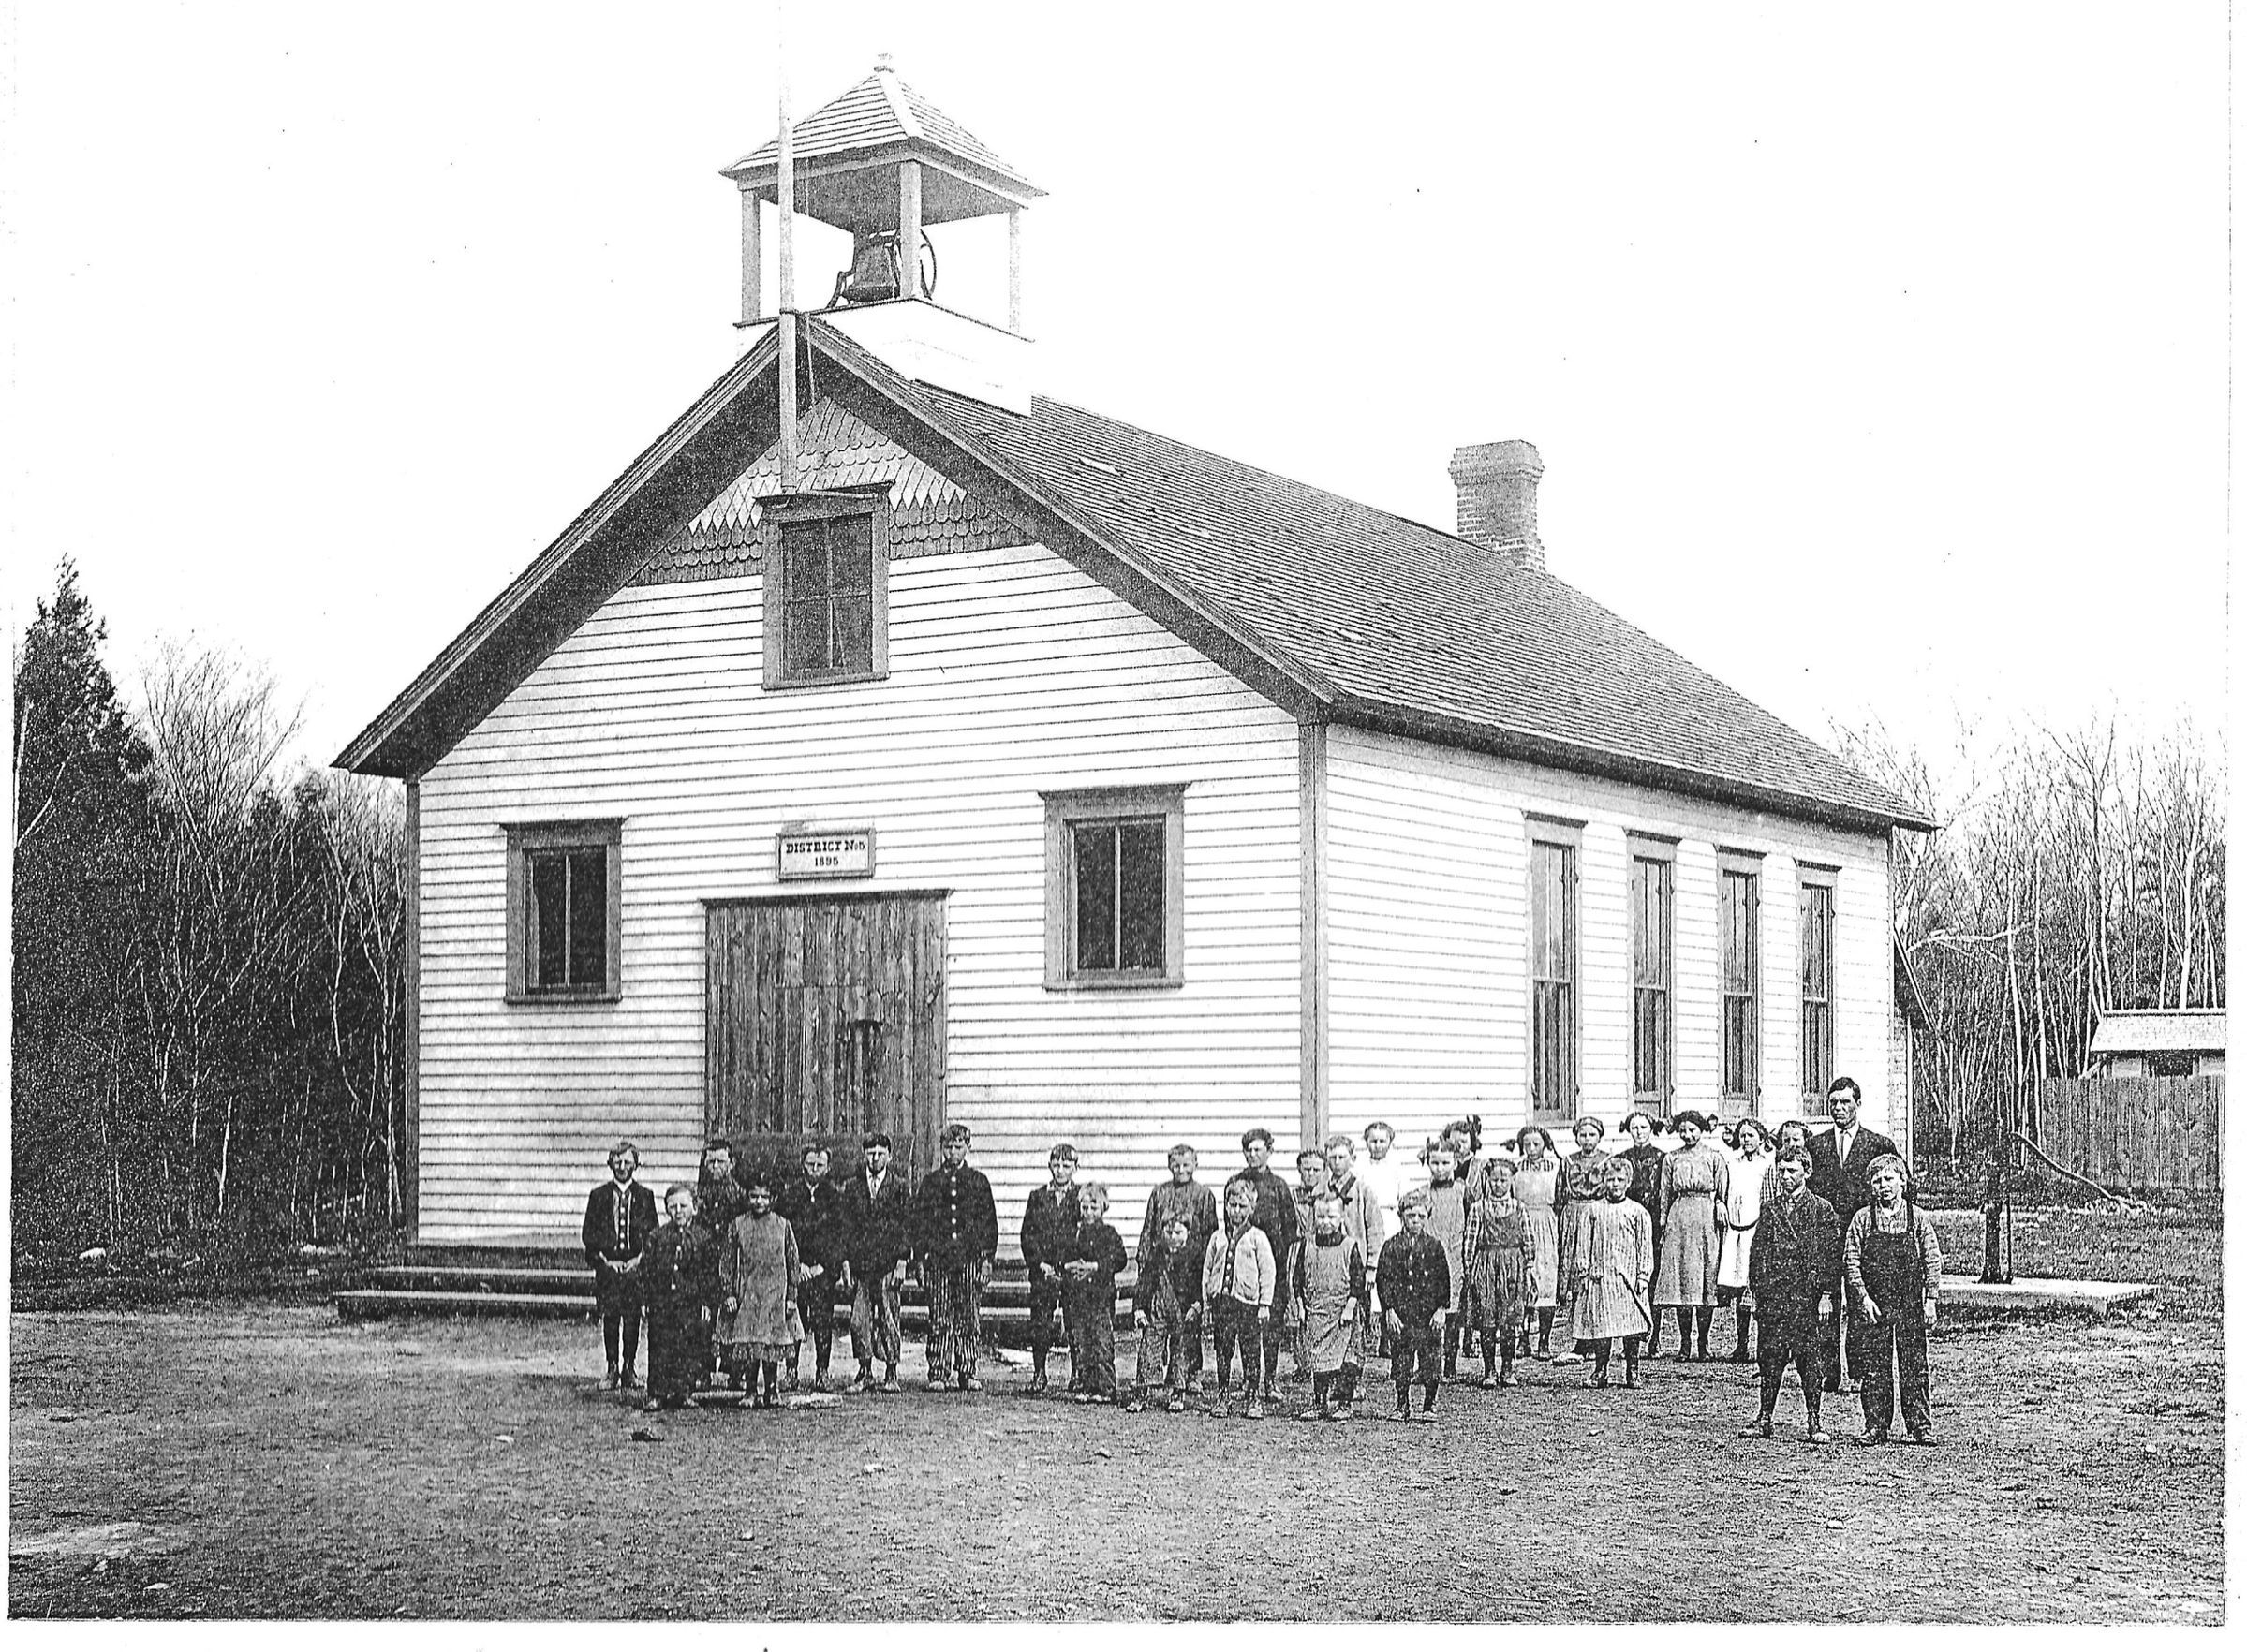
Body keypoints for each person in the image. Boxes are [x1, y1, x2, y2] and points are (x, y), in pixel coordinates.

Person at [1739, 1145, 1841, 1445]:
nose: (1785, 1176)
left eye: (1792, 1171)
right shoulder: (1770, 1210)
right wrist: (1754, 1291)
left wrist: (1826, 1294)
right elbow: (1758, 1254)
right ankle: (1764, 1418)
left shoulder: (1821, 1209)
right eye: (1781, 1171)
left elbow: (1830, 1257)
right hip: (1775, 1298)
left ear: (1806, 1172)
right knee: (1769, 1358)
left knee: (1810, 1361)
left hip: (1807, 1298)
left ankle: (1814, 1420)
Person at [1807, 1078, 1900, 1394]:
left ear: (1858, 1104)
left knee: (1862, 1302)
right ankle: (1828, 1372)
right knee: (1825, 1303)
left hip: (1865, 1237)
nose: (1838, 1108)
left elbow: (1899, 1187)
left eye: (1845, 1102)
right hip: (1826, 1238)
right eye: (1833, 1103)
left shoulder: (1878, 1144)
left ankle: (1860, 1371)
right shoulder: (1817, 1145)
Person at [1844, 1154, 1944, 1446]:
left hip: (1909, 1302)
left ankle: (1920, 1426)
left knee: (1914, 1365)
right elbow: (1851, 1261)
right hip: (1875, 1305)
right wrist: (1863, 1298)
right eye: (1877, 1181)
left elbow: (1932, 1259)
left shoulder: (1917, 1217)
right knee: (1875, 1366)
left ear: (1902, 1181)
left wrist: (1931, 1299)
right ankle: (1876, 1426)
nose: (1884, 1185)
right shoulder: (1863, 1219)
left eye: (1889, 1179)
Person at [912, 1123, 998, 1394]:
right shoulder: (931, 1183)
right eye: (948, 1147)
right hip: (938, 1262)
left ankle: (968, 1371)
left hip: (969, 1261)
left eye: (958, 1147)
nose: (952, 1152)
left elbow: (989, 1225)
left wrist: (987, 1260)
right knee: (939, 1317)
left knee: (968, 1318)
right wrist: (920, 1261)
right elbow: (920, 1225)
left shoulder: (979, 1182)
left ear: (968, 1148)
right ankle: (938, 1371)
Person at [1135, 1144, 1220, 1394]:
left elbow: (1211, 1233)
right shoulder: (1159, 1193)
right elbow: (1149, 1229)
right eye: (1176, 1165)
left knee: (1188, 1328)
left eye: (1186, 1164)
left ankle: (1191, 1374)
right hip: (1162, 1264)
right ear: (1169, 1165)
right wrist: (1144, 1260)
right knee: (1157, 1326)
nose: (1181, 1169)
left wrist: (1207, 1269)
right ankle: (1154, 1375)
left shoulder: (1204, 1195)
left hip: (1192, 1268)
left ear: (1195, 1164)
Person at [1563, 1158, 1655, 1389]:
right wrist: (1584, 1272)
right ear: (1603, 1181)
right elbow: (1583, 1244)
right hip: (1601, 1278)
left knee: (1631, 1326)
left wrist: (1643, 1275)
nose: (1615, 1184)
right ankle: (1600, 1370)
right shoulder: (1593, 1211)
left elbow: (1645, 1247)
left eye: (1620, 1180)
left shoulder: (1638, 1212)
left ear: (1628, 1182)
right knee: (1602, 1324)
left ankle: (1632, 1370)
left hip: (1627, 1280)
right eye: (1610, 1179)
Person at [718, 1172, 800, 1410]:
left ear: (772, 1198)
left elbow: (793, 1262)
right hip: (748, 1292)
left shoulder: (783, 1225)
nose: (759, 1201)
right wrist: (728, 1293)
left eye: (764, 1197)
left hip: (775, 1293)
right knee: (750, 1342)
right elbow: (726, 1262)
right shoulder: (738, 1225)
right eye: (754, 1196)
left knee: (770, 1343)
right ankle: (750, 1390)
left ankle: (772, 1390)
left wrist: (792, 1296)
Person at [837, 1132, 911, 1394]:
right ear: (864, 1155)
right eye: (871, 1153)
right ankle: (865, 1370)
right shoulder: (853, 1187)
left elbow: (906, 1226)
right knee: (859, 1320)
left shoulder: (899, 1187)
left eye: (880, 1153)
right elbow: (845, 1228)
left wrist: (902, 1261)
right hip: (861, 1266)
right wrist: (845, 1263)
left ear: (889, 1156)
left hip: (888, 1265)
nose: (875, 1158)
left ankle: (891, 1370)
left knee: (889, 1318)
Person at [1654, 1110, 1731, 1360]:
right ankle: (1685, 1343)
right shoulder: (1671, 1158)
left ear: (1701, 1129)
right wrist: (1664, 1221)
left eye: (1692, 1130)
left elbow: (1723, 1191)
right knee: (1683, 1282)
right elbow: (1665, 1192)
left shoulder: (1714, 1157)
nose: (1687, 1135)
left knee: (1705, 1281)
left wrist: (1719, 1203)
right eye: (1683, 1131)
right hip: (1680, 1219)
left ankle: (1704, 1343)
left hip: (1705, 1218)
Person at [582, 1141, 658, 1390]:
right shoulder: (598, 1196)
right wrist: (606, 1262)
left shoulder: (645, 1196)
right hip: (609, 1269)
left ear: (636, 1164)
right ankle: (612, 1368)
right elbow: (588, 1234)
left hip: (635, 1269)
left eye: (627, 1162)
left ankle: (629, 1368)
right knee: (611, 1317)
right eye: (617, 1162)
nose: (622, 1167)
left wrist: (639, 1260)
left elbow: (653, 1235)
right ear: (610, 1164)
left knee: (633, 1317)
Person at [1232, 1128, 1299, 1406]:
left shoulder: (1279, 1186)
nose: (1253, 1155)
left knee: (1272, 1326)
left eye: (1258, 1149)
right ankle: (1249, 1380)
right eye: (1248, 1150)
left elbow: (1291, 1228)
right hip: (1246, 1266)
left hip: (1274, 1268)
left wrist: (1281, 1265)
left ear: (1269, 1152)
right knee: (1245, 1325)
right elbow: (1231, 1224)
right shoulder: (1236, 1183)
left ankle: (1270, 1380)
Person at [640, 1183, 719, 1412]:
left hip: (690, 1302)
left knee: (688, 1346)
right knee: (660, 1346)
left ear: (694, 1208)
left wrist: (707, 1302)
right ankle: (657, 1393)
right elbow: (647, 1271)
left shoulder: (703, 1238)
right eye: (672, 1207)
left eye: (683, 1206)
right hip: (662, 1302)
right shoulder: (657, 1236)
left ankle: (684, 1391)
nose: (678, 1211)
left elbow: (709, 1273)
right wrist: (646, 1300)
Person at [1292, 1192, 1368, 1421]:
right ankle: (1320, 1403)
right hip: (1317, 1312)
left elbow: (1358, 1282)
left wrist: (1350, 1307)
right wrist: (1300, 1305)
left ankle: (1344, 1404)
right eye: (1321, 1217)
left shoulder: (1349, 1246)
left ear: (1342, 1217)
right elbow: (1297, 1279)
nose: (1326, 1222)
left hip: (1343, 1315)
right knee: (1319, 1361)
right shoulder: (1307, 1246)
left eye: (1332, 1217)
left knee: (1346, 1360)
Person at [774, 1143, 845, 1391]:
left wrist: (824, 1266)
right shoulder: (789, 1196)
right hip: (797, 1272)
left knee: (823, 1322)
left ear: (828, 1168)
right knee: (794, 1320)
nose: (814, 1169)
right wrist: (798, 1266)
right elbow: (782, 1235)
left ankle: (822, 1371)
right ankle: (791, 1370)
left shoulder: (835, 1198)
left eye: (820, 1165)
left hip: (823, 1272)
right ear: (802, 1165)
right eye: (810, 1164)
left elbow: (840, 1237)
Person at [1204, 1179, 1277, 1420]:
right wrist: (1207, 1302)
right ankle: (1223, 1394)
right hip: (1223, 1303)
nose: (1236, 1211)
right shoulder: (1217, 1238)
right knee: (1223, 1349)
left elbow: (1267, 1271)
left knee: (1251, 1351)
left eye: (1242, 1206)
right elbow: (1207, 1270)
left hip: (1248, 1304)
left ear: (1252, 1208)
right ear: (1226, 1206)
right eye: (1232, 1205)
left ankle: (1253, 1396)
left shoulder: (1257, 1238)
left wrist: (1264, 1304)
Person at [1378, 1187, 1451, 1422]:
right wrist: (1389, 1309)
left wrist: (1441, 1309)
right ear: (1402, 1216)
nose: (1416, 1221)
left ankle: (1429, 1405)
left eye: (1421, 1216)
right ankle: (1402, 1404)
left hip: (1428, 1316)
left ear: (1427, 1217)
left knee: (1431, 1360)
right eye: (1411, 1216)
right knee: (1401, 1360)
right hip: (1402, 1315)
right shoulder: (1391, 1246)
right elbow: (1384, 1280)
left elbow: (1443, 1280)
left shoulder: (1434, 1246)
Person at [1462, 1153, 1533, 1386]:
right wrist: (1469, 1269)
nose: (1498, 1184)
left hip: (1512, 1268)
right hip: (1486, 1267)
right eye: (1494, 1180)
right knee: (1488, 1320)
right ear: (1487, 1180)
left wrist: (1529, 1267)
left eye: (1503, 1180)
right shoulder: (1479, 1208)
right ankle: (1489, 1371)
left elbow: (1528, 1239)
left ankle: (1508, 1369)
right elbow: (1470, 1240)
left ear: (1511, 1181)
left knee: (1509, 1321)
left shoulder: (1519, 1208)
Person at [1552, 1116, 1617, 1365]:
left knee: (1595, 1276)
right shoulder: (1568, 1162)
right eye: (1583, 1135)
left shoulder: (1608, 1160)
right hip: (1573, 1215)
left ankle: (1598, 1339)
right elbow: (1560, 1195)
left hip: (1598, 1214)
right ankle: (1580, 1339)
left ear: (1599, 1137)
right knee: (1576, 1280)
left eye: (1592, 1135)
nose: (1587, 1140)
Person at [1019, 1143, 1082, 1394]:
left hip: (1072, 1272)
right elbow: (1028, 1235)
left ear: (1076, 1168)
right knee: (1040, 1323)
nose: (1060, 1170)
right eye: (1056, 1165)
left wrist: (1075, 1264)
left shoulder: (1082, 1197)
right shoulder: (1038, 1197)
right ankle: (1039, 1372)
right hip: (1043, 1271)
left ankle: (1077, 1373)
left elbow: (1087, 1233)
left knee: (1075, 1323)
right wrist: (1039, 1263)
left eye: (1066, 1165)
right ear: (1049, 1166)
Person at [1060, 1182, 1128, 1405]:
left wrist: (1096, 1267)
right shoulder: (1075, 1233)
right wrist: (1071, 1266)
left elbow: (1120, 1259)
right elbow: (1063, 1257)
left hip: (1101, 1298)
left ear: (1103, 1208)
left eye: (1094, 1208)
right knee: (1083, 1343)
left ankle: (1106, 1388)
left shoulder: (1109, 1234)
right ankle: (1087, 1386)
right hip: (1078, 1297)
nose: (1089, 1213)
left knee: (1101, 1342)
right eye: (1085, 1208)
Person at [1129, 1214, 1203, 1414]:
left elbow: (1200, 1284)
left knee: (1181, 1348)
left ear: (1188, 1233)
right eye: (1168, 1232)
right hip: (1158, 1308)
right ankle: (1142, 1391)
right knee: (1149, 1345)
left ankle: (1178, 1392)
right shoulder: (1156, 1255)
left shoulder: (1194, 1256)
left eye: (1178, 1232)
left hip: (1182, 1310)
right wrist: (1139, 1308)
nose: (1173, 1237)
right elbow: (1143, 1283)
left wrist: (1197, 1305)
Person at [692, 1141, 750, 1390]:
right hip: (705, 1266)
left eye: (721, 1162)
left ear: (732, 1164)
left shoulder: (741, 1197)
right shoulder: (698, 1197)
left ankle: (735, 1373)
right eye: (710, 1162)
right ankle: (702, 1371)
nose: (715, 1167)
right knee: (703, 1319)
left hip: (733, 1266)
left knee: (733, 1318)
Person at [1718, 1118, 1774, 1361]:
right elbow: (1722, 1191)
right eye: (1743, 1135)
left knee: (1756, 1288)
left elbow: (1770, 1197)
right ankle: (1741, 1345)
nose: (1746, 1140)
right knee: (1739, 1287)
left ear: (1761, 1138)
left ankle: (1764, 1347)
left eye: (1751, 1135)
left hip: (1756, 1230)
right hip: (1735, 1231)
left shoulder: (1768, 1164)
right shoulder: (1732, 1163)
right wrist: (1720, 1203)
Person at [1617, 1112, 1668, 1353]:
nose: (1639, 1132)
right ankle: (1628, 1339)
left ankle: (1653, 1336)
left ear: (1651, 1129)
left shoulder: (1661, 1158)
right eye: (1634, 1128)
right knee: (1628, 1278)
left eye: (1643, 1127)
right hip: (1627, 1223)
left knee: (1651, 1279)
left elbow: (1665, 1191)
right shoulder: (1622, 1159)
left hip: (1653, 1223)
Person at [1512, 1126, 1562, 1358]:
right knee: (1523, 1280)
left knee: (1547, 1280)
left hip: (1546, 1222)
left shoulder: (1555, 1168)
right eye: (1527, 1145)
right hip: (1522, 1222)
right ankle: (1523, 1339)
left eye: (1536, 1144)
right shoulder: (1516, 1169)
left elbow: (1560, 1198)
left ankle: (1544, 1341)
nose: (1532, 1149)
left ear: (1545, 1145)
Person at [1421, 1140, 1470, 1379]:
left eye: (1445, 1163)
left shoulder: (1462, 1192)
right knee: (1426, 1312)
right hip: (1429, 1260)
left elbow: (1471, 1223)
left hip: (1454, 1257)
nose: (1440, 1168)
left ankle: (1450, 1365)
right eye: (1435, 1163)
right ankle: (1427, 1366)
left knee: (1452, 1314)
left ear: (1455, 1163)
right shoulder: (1423, 1193)